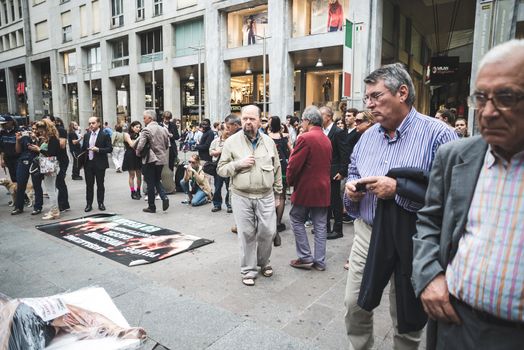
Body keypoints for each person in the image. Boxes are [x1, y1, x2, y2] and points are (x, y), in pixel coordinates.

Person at [412, 39, 524, 350]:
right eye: (480, 98)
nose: (487, 113)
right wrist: (429, 276)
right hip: (455, 324)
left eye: (506, 97)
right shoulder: (455, 157)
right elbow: (428, 222)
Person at [343, 63, 458, 350]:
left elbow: (453, 196)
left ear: (402, 92)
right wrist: (351, 191)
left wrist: (398, 190)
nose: (369, 105)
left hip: (414, 236)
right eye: (366, 98)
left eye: (376, 96)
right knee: (355, 304)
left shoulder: (439, 135)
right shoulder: (366, 137)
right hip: (367, 234)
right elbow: (353, 172)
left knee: (407, 313)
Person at [217, 105, 283, 287]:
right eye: (244, 118)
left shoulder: (269, 142)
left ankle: (263, 262)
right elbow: (221, 169)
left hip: (266, 195)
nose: (247, 122)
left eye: (251, 119)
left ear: (260, 121)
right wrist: (238, 164)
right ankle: (248, 269)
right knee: (246, 233)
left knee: (268, 231)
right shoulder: (231, 142)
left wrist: (278, 194)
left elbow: (277, 169)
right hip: (241, 196)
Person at [287, 106, 332, 271]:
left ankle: (305, 257)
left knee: (296, 218)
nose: (301, 124)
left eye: (303, 121)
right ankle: (319, 261)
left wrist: (290, 182)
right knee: (320, 225)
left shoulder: (305, 138)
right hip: (323, 187)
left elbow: (293, 165)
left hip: (307, 188)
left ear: (308, 121)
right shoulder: (326, 139)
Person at [320, 106, 349, 240]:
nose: (319, 118)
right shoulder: (321, 130)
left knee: (335, 201)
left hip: (334, 171)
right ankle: (325, 228)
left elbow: (344, 153)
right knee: (324, 200)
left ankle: (338, 229)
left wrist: (342, 171)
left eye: (321, 115)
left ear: (328, 117)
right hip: (323, 171)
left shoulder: (337, 132)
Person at [136, 110, 170, 213]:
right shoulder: (163, 129)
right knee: (156, 180)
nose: (143, 119)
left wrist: (138, 152)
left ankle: (152, 206)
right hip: (161, 159)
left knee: (150, 182)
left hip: (150, 159)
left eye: (144, 118)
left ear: (150, 118)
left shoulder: (146, 130)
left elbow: (141, 145)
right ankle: (164, 197)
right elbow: (166, 144)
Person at [266, 116, 293, 244]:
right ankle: (278, 222)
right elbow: (292, 151)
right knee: (281, 196)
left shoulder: (267, 136)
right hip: (283, 167)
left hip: (270, 166)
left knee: (270, 194)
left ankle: (270, 221)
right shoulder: (285, 136)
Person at [30, 119, 61, 220]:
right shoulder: (48, 139)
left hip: (50, 166)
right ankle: (54, 210)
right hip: (47, 166)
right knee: (51, 189)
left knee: (51, 190)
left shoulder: (53, 139)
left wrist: (39, 149)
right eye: (40, 131)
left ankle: (54, 211)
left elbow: (51, 154)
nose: (40, 132)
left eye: (42, 131)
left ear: (47, 129)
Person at [81, 116, 113, 212]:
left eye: (93, 123)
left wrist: (98, 149)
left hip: (100, 164)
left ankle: (101, 203)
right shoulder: (87, 135)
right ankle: (89, 204)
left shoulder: (104, 135)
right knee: (89, 185)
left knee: (100, 184)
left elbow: (109, 149)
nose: (91, 125)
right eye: (89, 123)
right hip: (88, 164)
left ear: (98, 123)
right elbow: (83, 149)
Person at [11, 125, 38, 215]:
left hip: (35, 161)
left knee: (37, 185)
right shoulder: (23, 137)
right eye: (31, 129)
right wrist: (18, 140)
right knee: (21, 184)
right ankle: (18, 207)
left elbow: (43, 149)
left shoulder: (40, 136)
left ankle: (37, 207)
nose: (32, 131)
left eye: (34, 129)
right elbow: (18, 151)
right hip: (23, 160)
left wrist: (35, 138)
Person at [210, 123, 231, 213]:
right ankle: (217, 204)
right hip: (218, 168)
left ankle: (229, 205)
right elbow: (210, 152)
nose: (228, 131)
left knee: (229, 187)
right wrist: (218, 151)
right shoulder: (215, 141)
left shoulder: (232, 141)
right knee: (217, 187)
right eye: (227, 129)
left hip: (228, 167)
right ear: (221, 131)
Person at [122, 121, 143, 200]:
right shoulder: (127, 134)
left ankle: (138, 190)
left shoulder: (140, 135)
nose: (138, 129)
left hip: (138, 155)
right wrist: (140, 138)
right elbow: (132, 145)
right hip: (130, 155)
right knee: (132, 175)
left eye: (139, 127)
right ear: (132, 127)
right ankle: (132, 191)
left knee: (139, 174)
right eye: (136, 127)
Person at [0, 115, 20, 185]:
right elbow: (2, 148)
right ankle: (16, 193)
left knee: (20, 177)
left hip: (18, 158)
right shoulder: (2, 133)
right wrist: (2, 160)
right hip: (8, 159)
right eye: (2, 124)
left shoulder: (18, 131)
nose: (3, 126)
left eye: (5, 124)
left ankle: (22, 193)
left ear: (11, 122)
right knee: (13, 177)